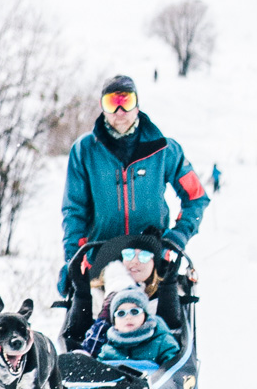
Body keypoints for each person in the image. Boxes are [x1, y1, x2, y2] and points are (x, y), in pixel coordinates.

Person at [58, 75, 209, 345]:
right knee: (89, 328)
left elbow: (196, 197)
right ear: (102, 107)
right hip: (102, 260)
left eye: (126, 102)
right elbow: (74, 211)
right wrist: (73, 258)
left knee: (165, 331)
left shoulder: (164, 149)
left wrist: (177, 238)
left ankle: (167, 372)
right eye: (112, 102)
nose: (120, 111)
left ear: (137, 105)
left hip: (154, 259)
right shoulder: (85, 151)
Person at [96, 287, 181, 365]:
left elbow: (173, 374)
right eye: (121, 313)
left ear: (145, 316)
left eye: (134, 312)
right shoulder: (107, 351)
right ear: (114, 322)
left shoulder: (163, 343)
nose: (128, 317)